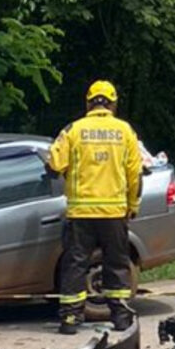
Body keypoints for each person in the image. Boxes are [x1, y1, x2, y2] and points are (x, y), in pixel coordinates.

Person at [46, 80, 144, 335]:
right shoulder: (125, 131)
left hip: (81, 213)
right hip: (114, 212)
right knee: (117, 263)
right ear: (113, 104)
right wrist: (132, 205)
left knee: (76, 264)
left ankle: (70, 319)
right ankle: (120, 316)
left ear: (89, 103)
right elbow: (135, 174)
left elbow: (54, 163)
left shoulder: (74, 130)